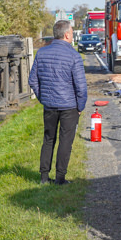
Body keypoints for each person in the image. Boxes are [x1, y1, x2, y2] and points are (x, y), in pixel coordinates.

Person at [28, 19, 88, 185]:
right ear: (67, 35)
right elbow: (81, 87)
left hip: (50, 106)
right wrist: (80, 106)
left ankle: (44, 177)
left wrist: (43, 98)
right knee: (65, 142)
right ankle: (60, 178)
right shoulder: (74, 56)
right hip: (69, 106)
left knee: (48, 139)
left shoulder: (41, 53)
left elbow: (32, 81)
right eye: (72, 33)